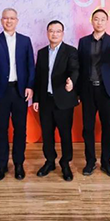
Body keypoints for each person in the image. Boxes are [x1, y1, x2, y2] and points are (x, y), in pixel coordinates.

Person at [0, 8, 35, 181]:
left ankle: (18, 164)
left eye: (12, 18)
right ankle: (1, 165)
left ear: (17, 20)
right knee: (1, 130)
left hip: (20, 91)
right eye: (5, 18)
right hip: (0, 92)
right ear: (1, 20)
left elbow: (30, 65)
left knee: (20, 129)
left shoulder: (25, 40)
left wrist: (30, 86)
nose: (9, 21)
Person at [77, 8, 110, 177]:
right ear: (92, 21)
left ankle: (106, 162)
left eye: (102, 19)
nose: (99, 22)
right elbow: (79, 66)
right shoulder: (83, 42)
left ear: (107, 22)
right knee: (88, 128)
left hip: (106, 90)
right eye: (96, 19)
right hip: (88, 89)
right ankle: (90, 162)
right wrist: (77, 91)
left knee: (107, 127)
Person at [33, 20, 79, 182]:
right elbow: (38, 77)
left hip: (63, 100)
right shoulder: (42, 52)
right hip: (46, 100)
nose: (54, 34)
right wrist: (36, 99)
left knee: (65, 134)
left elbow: (75, 70)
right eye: (51, 31)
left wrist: (71, 82)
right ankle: (50, 161)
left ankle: (65, 163)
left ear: (63, 34)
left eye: (58, 31)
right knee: (47, 134)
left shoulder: (70, 51)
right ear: (47, 33)